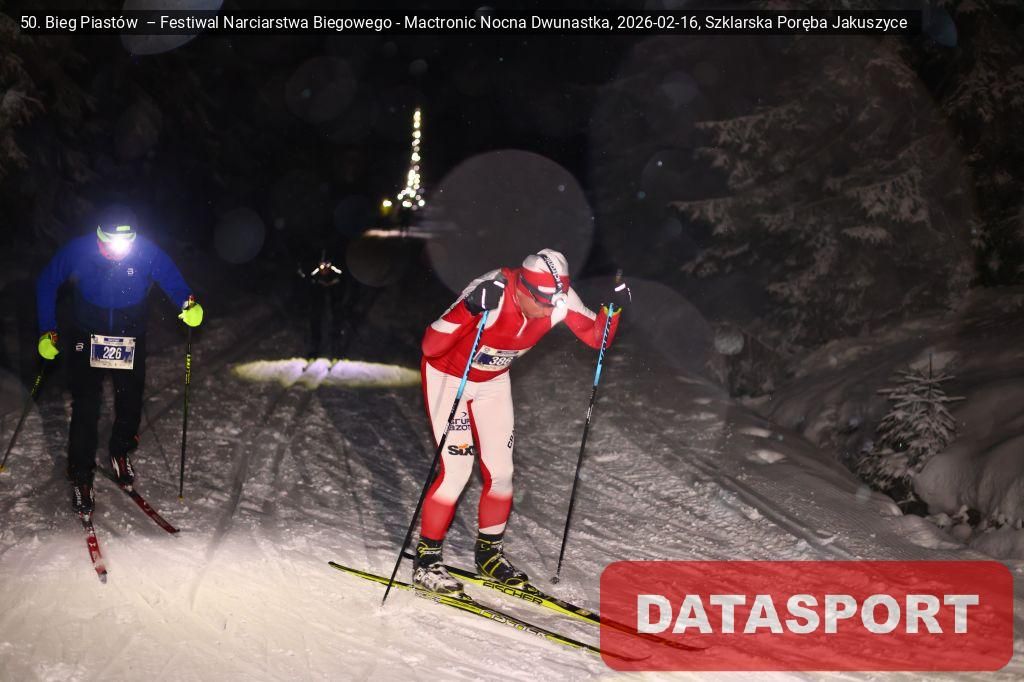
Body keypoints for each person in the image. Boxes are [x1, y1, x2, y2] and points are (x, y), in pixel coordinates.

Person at [413, 248, 631, 594]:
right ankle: (426, 561)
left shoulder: (558, 299)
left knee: (502, 474)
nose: (548, 312)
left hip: (493, 381)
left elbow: (596, 337)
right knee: (457, 470)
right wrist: (470, 308)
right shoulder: (492, 289)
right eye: (542, 304)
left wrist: (613, 309)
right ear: (523, 288)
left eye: (553, 303)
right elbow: (430, 346)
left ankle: (489, 555)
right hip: (449, 377)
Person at [35, 207, 204, 515]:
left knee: (130, 400)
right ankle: (81, 474)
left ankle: (120, 450)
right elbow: (46, 281)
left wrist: (188, 304)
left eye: (125, 244)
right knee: (86, 405)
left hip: (130, 337)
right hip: (87, 335)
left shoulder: (145, 251)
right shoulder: (79, 250)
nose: (118, 251)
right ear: (100, 236)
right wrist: (48, 330)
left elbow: (173, 280)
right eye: (112, 243)